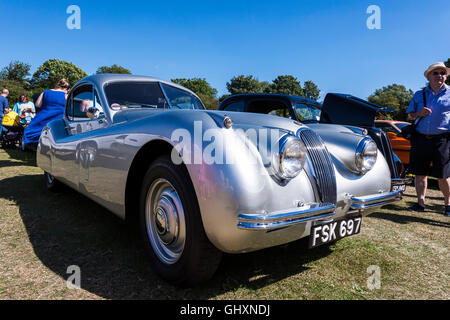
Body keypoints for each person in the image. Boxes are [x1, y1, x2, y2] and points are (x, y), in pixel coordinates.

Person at [406, 62, 450, 216]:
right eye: (436, 73)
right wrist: (418, 113)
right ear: (429, 76)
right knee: (420, 173)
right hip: (421, 138)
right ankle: (420, 203)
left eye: (442, 73)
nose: (440, 76)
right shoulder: (419, 94)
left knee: (443, 175)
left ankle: (448, 205)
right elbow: (410, 115)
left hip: (442, 140)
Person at [23, 79, 70, 148]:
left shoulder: (46, 92)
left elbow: (37, 104)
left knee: (36, 131)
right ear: (66, 88)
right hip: (58, 118)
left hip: (44, 116)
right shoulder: (66, 95)